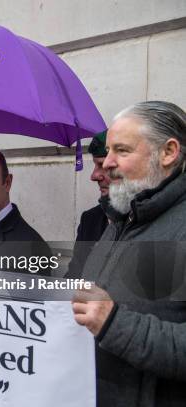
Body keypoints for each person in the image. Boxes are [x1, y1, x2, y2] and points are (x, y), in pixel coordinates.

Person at [72, 101, 186, 406]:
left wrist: (114, 323)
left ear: (168, 152)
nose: (107, 163)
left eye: (121, 150)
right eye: (108, 151)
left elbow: (108, 318)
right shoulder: (121, 220)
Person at [65, 131, 111, 278]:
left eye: (103, 165)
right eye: (96, 165)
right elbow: (72, 280)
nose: (94, 176)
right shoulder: (90, 220)